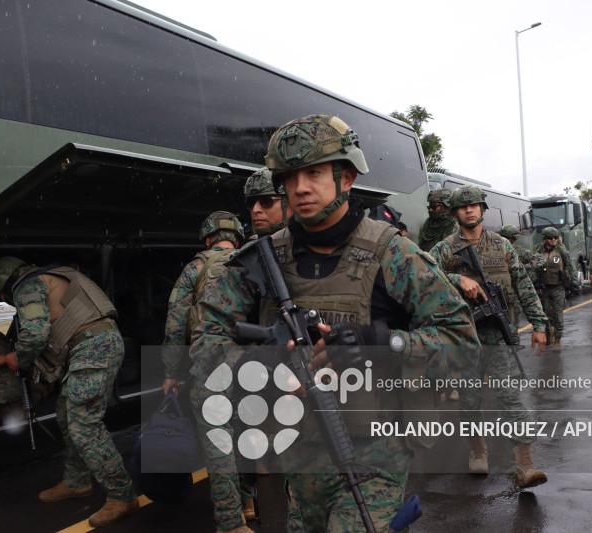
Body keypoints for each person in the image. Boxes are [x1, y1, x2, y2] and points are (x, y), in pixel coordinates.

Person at [191, 113, 478, 532]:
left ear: (345, 177)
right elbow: (203, 344)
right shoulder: (262, 260)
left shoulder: (393, 254)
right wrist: (264, 362)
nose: (301, 187)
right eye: (290, 177)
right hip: (299, 451)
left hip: (378, 450)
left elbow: (463, 343)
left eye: (315, 173)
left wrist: (379, 341)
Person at [0, 257, 138, 528]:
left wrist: (16, 359)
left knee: (84, 425)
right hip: (95, 344)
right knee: (67, 415)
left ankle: (122, 495)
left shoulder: (27, 286)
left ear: (2, 285)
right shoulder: (50, 276)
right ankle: (77, 481)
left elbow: (35, 334)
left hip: (92, 347)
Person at [430, 186, 548, 487]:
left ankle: (525, 465)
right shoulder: (444, 249)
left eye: (474, 206)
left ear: (483, 209)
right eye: (463, 207)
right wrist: (458, 279)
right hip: (464, 340)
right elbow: (423, 275)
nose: (469, 210)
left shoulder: (503, 246)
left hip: (498, 338)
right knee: (469, 402)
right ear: (455, 213)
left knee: (510, 398)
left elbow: (523, 284)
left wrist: (539, 323)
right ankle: (477, 451)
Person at [159, 211, 254, 529]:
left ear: (207, 237)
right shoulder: (252, 259)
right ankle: (249, 499)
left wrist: (172, 371)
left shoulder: (195, 268)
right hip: (252, 360)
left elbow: (175, 323)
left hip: (212, 361)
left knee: (219, 437)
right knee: (245, 430)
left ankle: (230, 519)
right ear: (236, 237)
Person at [532, 227, 578, 351]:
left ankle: (558, 340)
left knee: (558, 314)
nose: (553, 240)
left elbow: (571, 267)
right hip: (544, 287)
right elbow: (531, 267)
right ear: (545, 239)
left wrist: (574, 284)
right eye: (550, 238)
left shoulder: (562, 251)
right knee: (545, 314)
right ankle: (549, 331)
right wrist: (535, 283)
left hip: (558, 287)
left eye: (556, 238)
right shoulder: (537, 250)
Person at [499, 224, 545, 331]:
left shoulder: (518, 252)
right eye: (511, 238)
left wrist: (525, 267)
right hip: (499, 295)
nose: (512, 241)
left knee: (512, 328)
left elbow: (541, 259)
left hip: (513, 294)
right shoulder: (493, 252)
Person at [245, 167, 292, 237]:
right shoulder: (251, 247)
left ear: (291, 202)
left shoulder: (309, 245)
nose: (255, 210)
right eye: (251, 203)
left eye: (266, 201)